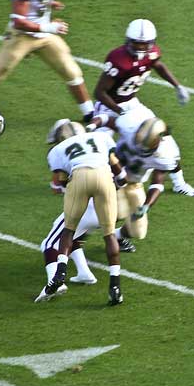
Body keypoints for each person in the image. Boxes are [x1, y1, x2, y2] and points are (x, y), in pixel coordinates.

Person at [93, 18, 194, 197]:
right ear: (128, 41)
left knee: (164, 138)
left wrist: (177, 85)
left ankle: (179, 183)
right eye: (137, 43)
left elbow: (158, 65)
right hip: (109, 106)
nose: (141, 48)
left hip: (132, 103)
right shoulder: (118, 59)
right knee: (99, 150)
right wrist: (120, 112)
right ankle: (83, 182)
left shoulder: (152, 53)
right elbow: (99, 93)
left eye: (145, 44)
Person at [35, 119, 127, 306]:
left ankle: (58, 275)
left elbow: (59, 183)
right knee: (108, 235)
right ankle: (113, 285)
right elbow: (121, 175)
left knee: (60, 235)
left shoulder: (58, 150)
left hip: (82, 189)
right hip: (108, 190)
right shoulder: (100, 137)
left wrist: (66, 186)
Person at [86, 105, 194, 244]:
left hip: (134, 183)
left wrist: (147, 205)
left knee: (138, 231)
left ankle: (117, 237)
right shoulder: (131, 124)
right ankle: (73, 234)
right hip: (111, 175)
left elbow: (158, 180)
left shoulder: (166, 154)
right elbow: (106, 119)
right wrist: (91, 126)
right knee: (115, 213)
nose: (140, 148)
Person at [35, 198, 136, 303]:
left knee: (50, 243)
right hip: (112, 210)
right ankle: (84, 273)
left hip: (90, 208)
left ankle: (55, 280)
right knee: (75, 236)